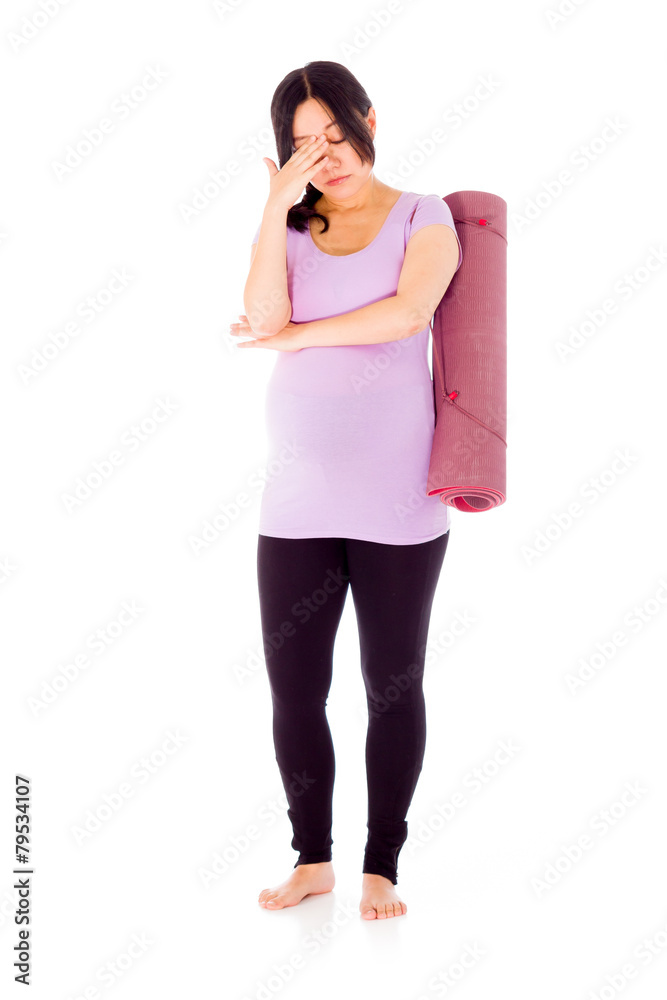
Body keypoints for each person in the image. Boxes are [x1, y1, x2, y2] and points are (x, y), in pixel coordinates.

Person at [230, 61, 462, 919]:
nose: (324, 157)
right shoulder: (293, 227)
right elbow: (260, 320)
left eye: (335, 135)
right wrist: (271, 208)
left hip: (399, 498)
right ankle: (312, 860)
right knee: (294, 690)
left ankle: (380, 867)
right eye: (302, 146)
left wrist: (299, 335)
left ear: (369, 119)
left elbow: (407, 313)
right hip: (296, 498)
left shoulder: (423, 214)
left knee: (390, 685)